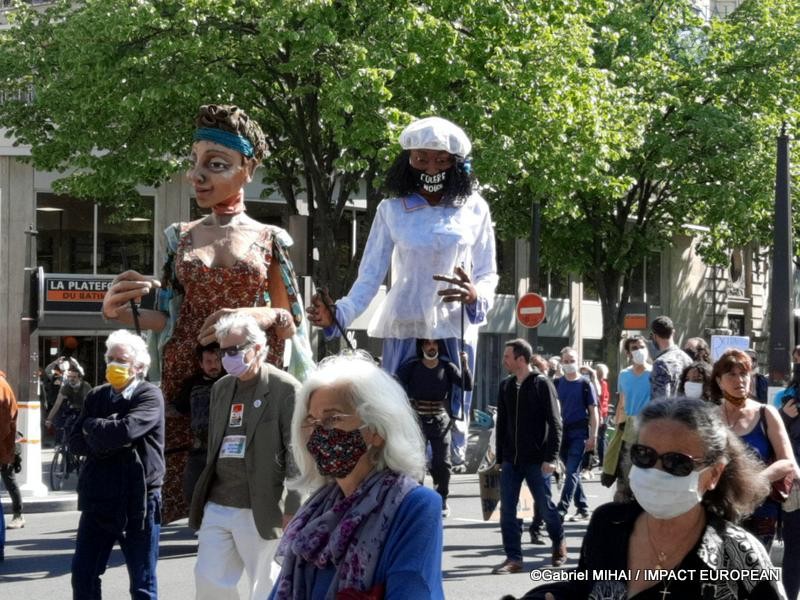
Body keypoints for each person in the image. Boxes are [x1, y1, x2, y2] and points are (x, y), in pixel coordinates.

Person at [101, 104, 312, 523]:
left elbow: (290, 318)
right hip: (187, 372)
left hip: (248, 366)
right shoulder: (178, 238)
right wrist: (121, 315)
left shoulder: (269, 239)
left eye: (215, 165)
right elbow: (174, 320)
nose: (196, 176)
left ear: (247, 169)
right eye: (194, 163)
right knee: (186, 470)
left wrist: (250, 313)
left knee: (251, 468)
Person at [306, 116, 498, 468]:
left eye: (441, 160)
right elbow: (369, 278)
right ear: (407, 161)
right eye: (421, 158)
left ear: (458, 165)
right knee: (396, 423)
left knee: (444, 431)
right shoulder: (391, 211)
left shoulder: (475, 209)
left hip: (453, 330)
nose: (431, 167)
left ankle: (436, 490)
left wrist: (475, 295)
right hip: (404, 327)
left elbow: (488, 273)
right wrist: (340, 314)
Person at [508, 398, 786, 600]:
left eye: (677, 463)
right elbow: (586, 586)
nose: (656, 471)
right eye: (645, 456)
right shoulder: (609, 523)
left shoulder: (739, 555)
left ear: (714, 473)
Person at [269, 352, 444, 599]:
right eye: (312, 421)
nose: (318, 433)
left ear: (376, 430)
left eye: (332, 419)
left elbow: (412, 589)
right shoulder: (316, 509)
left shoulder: (415, 505)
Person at [189, 313, 301, 599]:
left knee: (264, 587)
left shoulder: (285, 388)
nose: (227, 358)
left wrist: (294, 506)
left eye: (234, 350)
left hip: (261, 507)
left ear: (257, 348)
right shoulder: (221, 388)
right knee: (209, 582)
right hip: (218, 502)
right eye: (222, 351)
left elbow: (296, 455)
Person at [69, 330, 165, 600]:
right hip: (98, 497)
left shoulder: (150, 396)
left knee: (142, 582)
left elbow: (127, 431)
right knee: (83, 574)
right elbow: (76, 441)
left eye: (120, 360)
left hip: (139, 501)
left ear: (139, 367)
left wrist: (96, 429)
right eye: (110, 358)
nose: (113, 365)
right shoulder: (97, 396)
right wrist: (106, 434)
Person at [709, 348, 800, 551]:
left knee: (753, 577)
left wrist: (756, 481)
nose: (739, 380)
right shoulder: (708, 418)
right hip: (719, 508)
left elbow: (787, 461)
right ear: (718, 380)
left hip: (760, 508)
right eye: (731, 374)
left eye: (744, 374)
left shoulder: (766, 413)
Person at [492, 339, 565, 574]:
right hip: (511, 461)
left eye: (507, 357)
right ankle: (514, 558)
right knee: (507, 511)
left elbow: (555, 424)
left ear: (520, 359)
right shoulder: (506, 386)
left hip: (537, 460)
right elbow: (502, 423)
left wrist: (551, 458)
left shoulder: (542, 384)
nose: (504, 361)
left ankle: (558, 541)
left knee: (545, 508)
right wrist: (500, 458)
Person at [395, 338, 473, 517]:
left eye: (434, 344)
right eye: (427, 344)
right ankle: (417, 500)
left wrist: (465, 364)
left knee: (443, 464)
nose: (431, 347)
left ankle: (441, 499)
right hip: (417, 420)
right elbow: (395, 382)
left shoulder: (447, 367)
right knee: (415, 463)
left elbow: (466, 385)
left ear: (438, 346)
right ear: (422, 347)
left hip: (440, 419)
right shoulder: (412, 367)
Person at [173, 342, 224, 504]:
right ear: (201, 364)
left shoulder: (231, 381)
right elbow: (179, 408)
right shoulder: (192, 384)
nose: (214, 365)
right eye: (209, 361)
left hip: (224, 448)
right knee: (192, 492)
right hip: (199, 448)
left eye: (217, 360)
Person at [555, 347, 598, 521]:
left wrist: (593, 436)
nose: (569, 364)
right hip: (561, 433)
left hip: (579, 432)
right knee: (572, 471)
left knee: (572, 471)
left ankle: (561, 509)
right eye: (565, 361)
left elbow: (594, 413)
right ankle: (583, 507)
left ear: (578, 361)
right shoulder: (557, 383)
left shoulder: (585, 384)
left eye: (571, 360)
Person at [612, 334, 651, 502]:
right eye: (634, 348)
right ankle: (626, 497)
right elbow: (622, 402)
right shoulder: (624, 375)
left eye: (641, 347)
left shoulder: (656, 372)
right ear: (628, 353)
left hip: (650, 424)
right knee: (627, 466)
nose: (639, 351)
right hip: (630, 425)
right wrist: (618, 427)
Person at [778, 373, 800, 600]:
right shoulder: (788, 400)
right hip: (794, 482)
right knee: (794, 548)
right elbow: (774, 435)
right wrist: (783, 416)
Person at [0, 370, 23, 530]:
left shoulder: (1, 386)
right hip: (4, 443)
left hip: (4, 444)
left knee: (9, 479)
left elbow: (5, 421)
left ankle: (18, 515)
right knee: (9, 479)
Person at [649, 315, 692, 400]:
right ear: (673, 332)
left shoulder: (660, 363)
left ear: (654, 336)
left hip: (670, 412)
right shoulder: (687, 359)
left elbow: (661, 402)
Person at [45, 359, 92, 434]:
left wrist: (76, 364)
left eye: (74, 377)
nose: (71, 379)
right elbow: (57, 404)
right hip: (71, 409)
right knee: (67, 426)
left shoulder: (85, 386)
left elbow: (92, 403)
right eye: (70, 377)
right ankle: (62, 443)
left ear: (79, 378)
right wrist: (49, 419)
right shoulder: (65, 386)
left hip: (85, 411)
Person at [594, 363, 610, 468]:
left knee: (601, 437)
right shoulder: (603, 383)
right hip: (603, 412)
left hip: (601, 412)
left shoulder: (598, 383)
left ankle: (602, 459)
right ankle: (603, 459)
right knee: (601, 437)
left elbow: (600, 400)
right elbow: (602, 400)